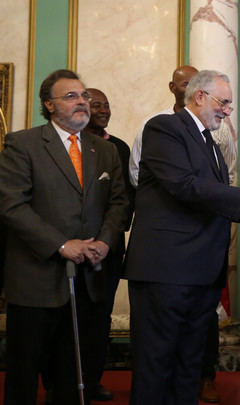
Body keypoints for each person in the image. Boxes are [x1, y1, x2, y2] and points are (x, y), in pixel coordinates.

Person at [124, 69, 240, 405]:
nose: (227, 111)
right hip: (166, 273)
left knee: (190, 364)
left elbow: (217, 199)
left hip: (200, 274)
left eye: (229, 104)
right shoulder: (164, 128)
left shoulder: (211, 143)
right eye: (223, 102)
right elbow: (186, 187)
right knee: (156, 364)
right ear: (199, 96)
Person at [0, 69, 129, 405]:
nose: (82, 102)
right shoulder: (22, 143)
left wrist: (104, 241)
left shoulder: (105, 150)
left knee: (73, 378)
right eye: (71, 96)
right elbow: (11, 206)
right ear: (49, 104)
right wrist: (60, 244)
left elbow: (118, 203)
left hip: (87, 282)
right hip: (36, 281)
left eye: (84, 95)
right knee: (24, 376)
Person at [81, 87, 136, 401]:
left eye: (106, 105)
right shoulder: (72, 147)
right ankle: (60, 381)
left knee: (100, 317)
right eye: (96, 104)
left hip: (109, 247)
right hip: (74, 246)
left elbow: (126, 197)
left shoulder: (119, 147)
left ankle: (92, 379)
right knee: (70, 317)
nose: (103, 109)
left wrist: (107, 237)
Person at [129, 65, 198, 187]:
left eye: (197, 85)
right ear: (172, 87)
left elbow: (227, 173)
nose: (193, 90)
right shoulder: (153, 124)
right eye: (186, 84)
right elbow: (136, 171)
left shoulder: (215, 127)